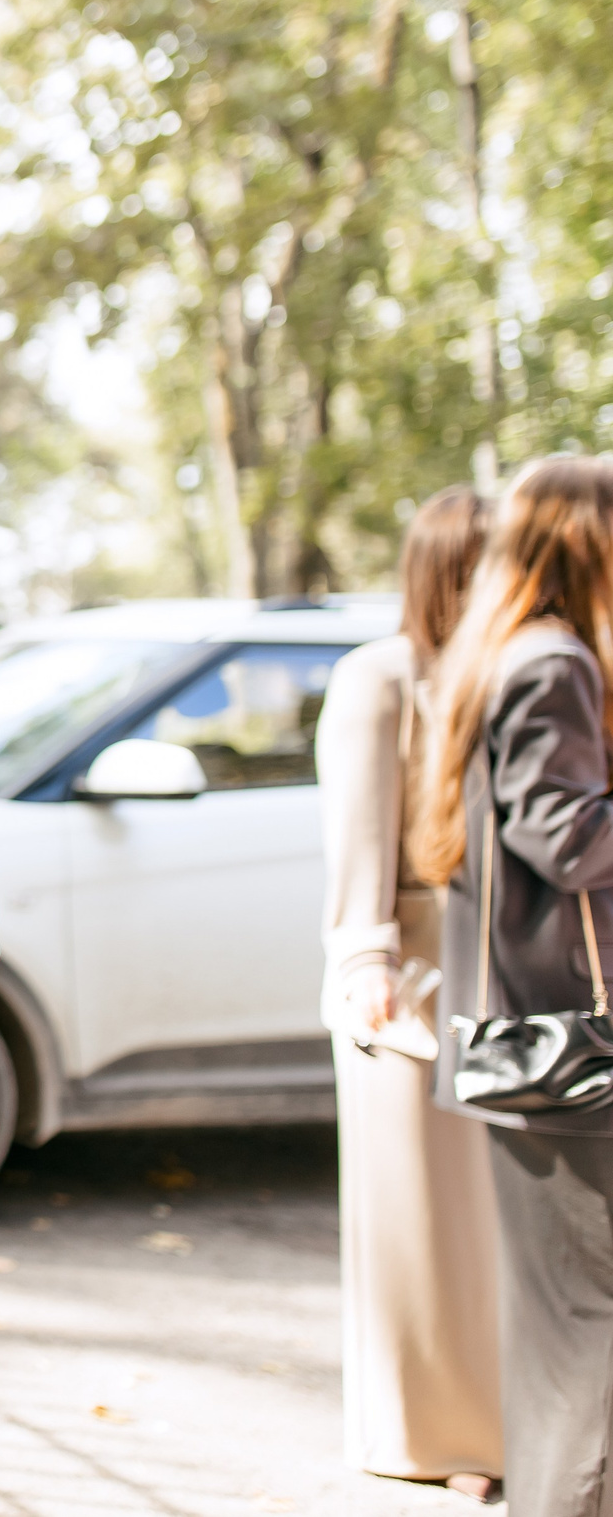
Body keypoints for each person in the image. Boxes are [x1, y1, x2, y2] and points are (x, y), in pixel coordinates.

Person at [412, 453, 613, 1517]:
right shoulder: (554, 662)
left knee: (561, 1331)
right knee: (590, 1331)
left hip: (528, 1039)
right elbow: (566, 835)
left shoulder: (502, 652)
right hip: (567, 1046)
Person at [316, 486, 503, 1498]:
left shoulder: (503, 672)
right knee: (419, 1226)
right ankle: (432, 1438)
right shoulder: (379, 677)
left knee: (486, 1225)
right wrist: (365, 963)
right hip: (407, 986)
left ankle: (497, 1424)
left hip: (495, 979)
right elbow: (357, 841)